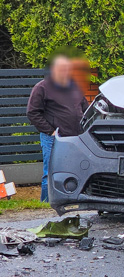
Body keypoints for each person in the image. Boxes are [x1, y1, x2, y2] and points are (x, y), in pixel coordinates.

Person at [26, 53, 89, 202]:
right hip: (54, 139)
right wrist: (51, 131)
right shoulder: (42, 87)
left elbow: (85, 110)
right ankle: (46, 204)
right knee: (51, 173)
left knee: (74, 172)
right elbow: (32, 112)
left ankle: (70, 201)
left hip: (75, 139)